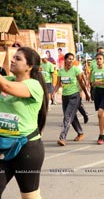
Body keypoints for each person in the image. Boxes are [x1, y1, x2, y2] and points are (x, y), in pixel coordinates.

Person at [0, 47, 48, 199]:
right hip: (3, 147)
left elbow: (6, 87)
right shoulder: (7, 79)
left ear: (29, 66)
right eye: (13, 57)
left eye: (18, 58)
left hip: (27, 149)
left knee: (29, 196)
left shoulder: (34, 85)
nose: (12, 60)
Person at [52, 53, 90, 146]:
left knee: (67, 117)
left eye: (72, 59)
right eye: (69, 59)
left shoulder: (75, 70)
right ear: (65, 60)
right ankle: (80, 133)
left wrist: (86, 94)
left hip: (74, 96)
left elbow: (81, 82)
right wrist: (53, 93)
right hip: (65, 96)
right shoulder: (61, 71)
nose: (70, 61)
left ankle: (62, 138)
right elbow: (58, 84)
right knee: (71, 117)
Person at [89, 53, 104, 145]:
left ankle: (101, 135)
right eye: (97, 59)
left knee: (100, 114)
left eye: (100, 59)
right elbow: (92, 82)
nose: (99, 60)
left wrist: (101, 83)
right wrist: (93, 84)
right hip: (97, 93)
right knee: (103, 115)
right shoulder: (94, 70)